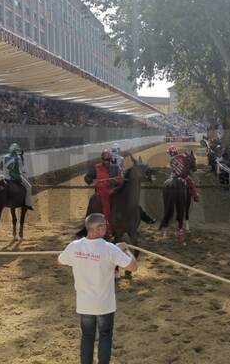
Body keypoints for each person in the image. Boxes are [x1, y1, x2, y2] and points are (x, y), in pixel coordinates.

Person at [58, 213, 138, 364]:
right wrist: (125, 250)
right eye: (105, 226)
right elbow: (133, 267)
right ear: (99, 228)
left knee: (87, 336)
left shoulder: (74, 246)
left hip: (84, 303)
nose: (106, 229)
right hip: (104, 305)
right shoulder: (110, 249)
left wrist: (79, 258)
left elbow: (60, 261)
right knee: (105, 335)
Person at [84, 151, 123, 235]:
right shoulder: (96, 168)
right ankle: (108, 229)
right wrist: (92, 180)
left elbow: (120, 180)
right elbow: (87, 177)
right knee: (106, 204)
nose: (107, 161)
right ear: (102, 160)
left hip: (114, 189)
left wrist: (118, 181)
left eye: (108, 160)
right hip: (102, 191)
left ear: (111, 160)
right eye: (105, 160)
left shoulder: (116, 168)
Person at [0, 143, 33, 210]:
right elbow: (21, 169)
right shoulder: (18, 158)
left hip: (5, 177)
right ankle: (27, 204)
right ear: (15, 150)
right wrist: (23, 173)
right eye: (16, 150)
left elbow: (1, 168)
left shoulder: (4, 157)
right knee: (29, 187)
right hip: (15, 177)